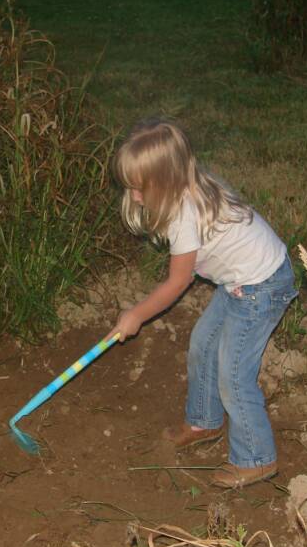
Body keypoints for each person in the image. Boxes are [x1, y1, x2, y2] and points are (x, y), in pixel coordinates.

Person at [107, 119, 297, 489]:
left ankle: (257, 457)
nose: (133, 197)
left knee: (234, 375)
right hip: (239, 282)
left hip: (262, 286)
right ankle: (203, 420)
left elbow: (179, 281)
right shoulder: (188, 184)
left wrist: (136, 315)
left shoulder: (183, 216)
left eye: (138, 188)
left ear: (165, 182)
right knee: (203, 344)